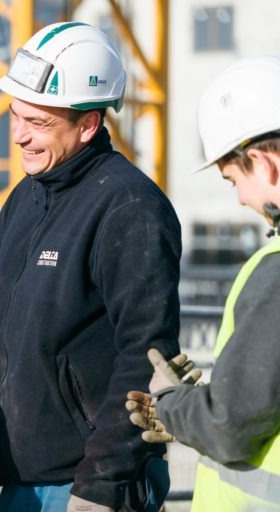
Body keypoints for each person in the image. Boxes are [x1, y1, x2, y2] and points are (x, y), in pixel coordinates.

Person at [0, 22, 182, 512]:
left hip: (86, 488)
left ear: (89, 124)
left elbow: (148, 359)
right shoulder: (23, 201)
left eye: (39, 123)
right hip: (26, 482)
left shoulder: (130, 207)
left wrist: (100, 486)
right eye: (15, 116)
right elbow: (0, 348)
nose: (19, 136)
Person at [126, 56, 280, 511]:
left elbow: (232, 423)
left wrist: (172, 404)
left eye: (234, 179)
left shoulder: (275, 270)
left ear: (263, 163)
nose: (240, 199)